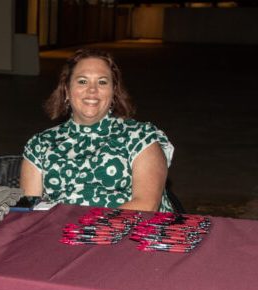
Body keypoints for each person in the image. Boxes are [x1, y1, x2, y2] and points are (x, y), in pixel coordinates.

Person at [20, 48, 174, 212]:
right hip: (58, 234)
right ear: (66, 90)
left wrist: (85, 230)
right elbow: (30, 212)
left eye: (102, 82)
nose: (92, 90)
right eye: (82, 81)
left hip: (130, 231)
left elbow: (146, 206)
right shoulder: (41, 144)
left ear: (114, 92)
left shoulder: (140, 137)